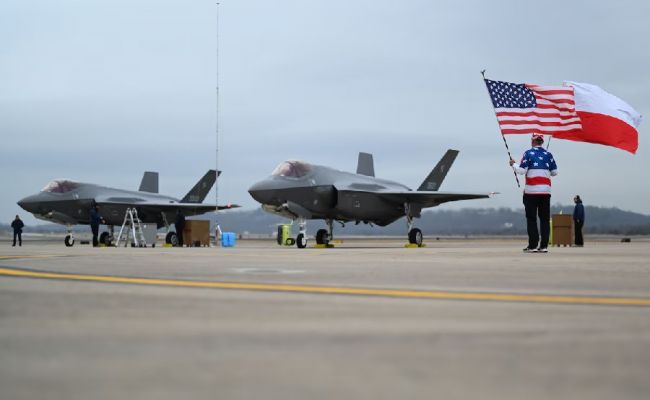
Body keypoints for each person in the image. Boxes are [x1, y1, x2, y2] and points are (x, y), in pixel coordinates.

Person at [509, 134, 558, 253]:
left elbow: (521, 171)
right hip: (545, 192)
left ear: (533, 141)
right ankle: (544, 246)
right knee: (544, 219)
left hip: (531, 192)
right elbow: (554, 172)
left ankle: (533, 245)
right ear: (542, 142)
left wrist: (513, 164)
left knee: (531, 219)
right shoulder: (548, 154)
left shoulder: (528, 153)